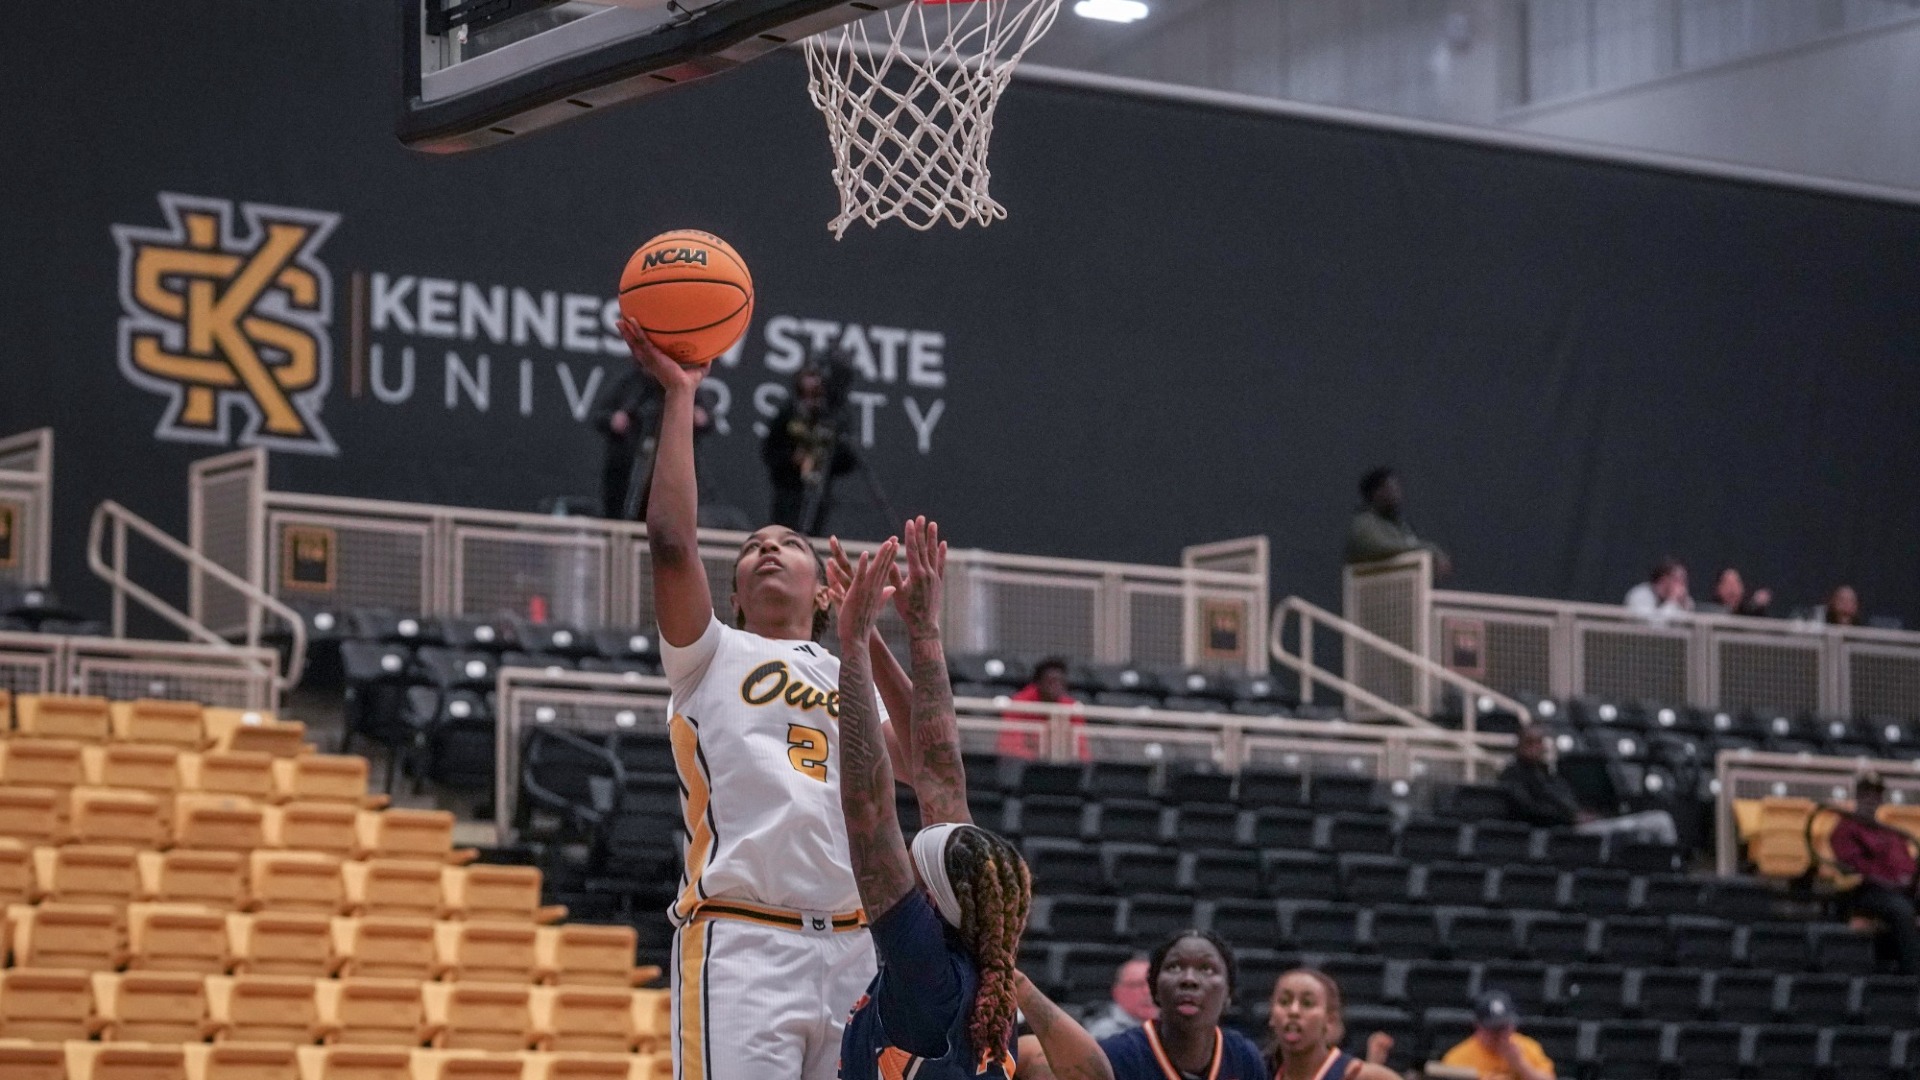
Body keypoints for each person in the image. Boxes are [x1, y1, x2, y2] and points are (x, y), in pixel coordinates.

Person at [622, 318, 917, 1080]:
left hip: (856, 947)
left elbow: (923, 765)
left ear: (824, 590)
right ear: (733, 593)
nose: (766, 548)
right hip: (744, 939)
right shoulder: (710, 653)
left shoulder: (850, 672)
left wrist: (879, 636)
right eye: (752, 546)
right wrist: (680, 395)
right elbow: (670, 541)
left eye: (787, 542)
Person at [833, 520, 1112, 1080]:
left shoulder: (925, 972)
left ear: (933, 901)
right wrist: (921, 631)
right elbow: (941, 776)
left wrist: (854, 646)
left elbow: (869, 808)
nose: (923, 828)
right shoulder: (986, 971)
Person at [1098, 930, 1266, 1080]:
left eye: (1207, 969)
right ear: (1155, 989)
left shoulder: (1244, 1058)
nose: (1189, 979)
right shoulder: (1115, 1057)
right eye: (1175, 967)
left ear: (1228, 993)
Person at [1498, 726, 1678, 846]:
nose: (1538, 747)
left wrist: (1585, 815)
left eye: (1540, 742)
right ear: (1520, 745)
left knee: (1657, 821)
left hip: (1580, 825)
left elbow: (1570, 803)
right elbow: (1529, 809)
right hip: (1565, 832)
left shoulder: (1548, 773)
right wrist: (1570, 819)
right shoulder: (1514, 774)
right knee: (1659, 822)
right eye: (1532, 742)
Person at [1830, 772, 1920, 974]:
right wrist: (1893, 882)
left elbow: (1906, 865)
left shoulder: (1889, 832)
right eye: (1866, 794)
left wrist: (1911, 881)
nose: (1871, 799)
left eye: (1876, 795)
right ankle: (1913, 975)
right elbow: (1854, 867)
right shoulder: (1845, 828)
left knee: (1903, 904)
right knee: (1901, 910)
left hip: (1899, 891)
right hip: (1865, 892)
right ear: (1858, 796)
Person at [764, 353, 857, 533]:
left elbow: (848, 458)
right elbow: (770, 451)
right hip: (788, 489)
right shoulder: (789, 411)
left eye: (817, 377)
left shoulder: (834, 414)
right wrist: (793, 459)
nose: (813, 383)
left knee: (813, 531)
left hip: (819, 491)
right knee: (784, 530)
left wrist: (824, 457)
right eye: (809, 376)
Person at [1265, 969, 1399, 1080]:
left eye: (1307, 1003)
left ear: (1330, 1019)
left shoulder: (1365, 1076)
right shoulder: (1257, 1072)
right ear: (1271, 1015)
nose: (1294, 1011)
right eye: (1284, 1001)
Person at [1344, 467, 1451, 575]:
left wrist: (1433, 553)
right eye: (1391, 488)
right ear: (1377, 492)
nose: (1397, 493)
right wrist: (1428, 548)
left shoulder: (1399, 526)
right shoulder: (1363, 523)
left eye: (1397, 488)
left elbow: (1410, 545)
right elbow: (1382, 548)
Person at [1437, 991, 1556, 1080]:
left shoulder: (1527, 1048)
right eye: (1494, 1029)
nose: (1500, 1035)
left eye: (1504, 1028)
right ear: (1478, 1027)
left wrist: (1520, 1065)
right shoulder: (1457, 1058)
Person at [998, 658, 1086, 760]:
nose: (1057, 687)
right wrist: (1040, 758)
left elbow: (1082, 752)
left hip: (1059, 765)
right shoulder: (1018, 704)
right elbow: (1009, 747)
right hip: (1024, 764)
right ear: (1038, 684)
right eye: (1051, 682)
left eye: (1061, 682)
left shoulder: (1071, 708)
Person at [1082, 956, 1157, 1041]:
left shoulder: (1166, 1026)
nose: (1147, 991)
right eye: (1137, 985)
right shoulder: (1104, 1033)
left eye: (1153, 984)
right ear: (1117, 992)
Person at [1623, 558, 1691, 620]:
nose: (1681, 585)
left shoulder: (1682, 600)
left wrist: (1684, 606)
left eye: (1684, 580)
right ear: (1663, 579)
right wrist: (1672, 601)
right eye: (1677, 580)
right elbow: (1652, 624)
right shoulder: (1640, 595)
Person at [1700, 567, 1771, 617]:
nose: (1732, 590)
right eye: (1728, 584)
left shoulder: (1750, 615)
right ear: (1718, 589)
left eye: (1736, 584)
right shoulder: (1709, 614)